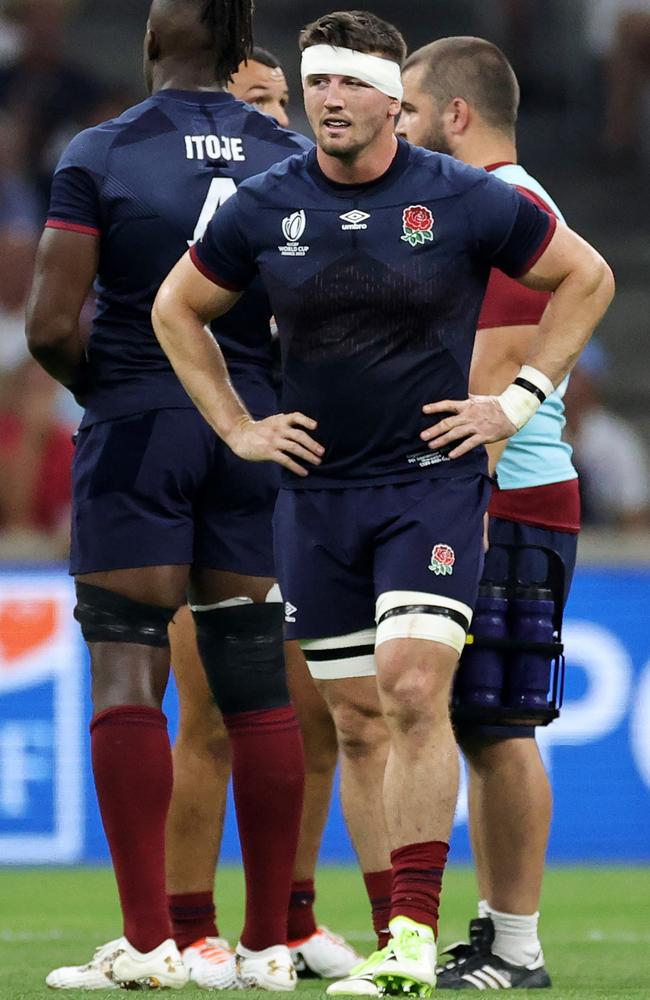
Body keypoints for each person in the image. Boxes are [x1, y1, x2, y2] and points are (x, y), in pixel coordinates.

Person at [151, 9, 614, 997]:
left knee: (411, 688)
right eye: (313, 82)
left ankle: (413, 934)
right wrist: (238, 426)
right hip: (316, 496)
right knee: (355, 720)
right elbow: (173, 308)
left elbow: (587, 275)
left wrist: (516, 401)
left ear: (391, 99)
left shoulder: (460, 196)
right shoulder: (263, 204)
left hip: (430, 486)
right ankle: (387, 938)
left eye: (346, 83)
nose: (324, 98)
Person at [26, 0, 317, 990]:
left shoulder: (102, 149)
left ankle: (150, 944)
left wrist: (110, 390)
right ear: (243, 48)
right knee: (255, 688)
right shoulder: (291, 154)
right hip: (250, 435)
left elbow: (49, 324)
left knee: (126, 676)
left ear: (154, 39)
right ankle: (269, 946)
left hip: (139, 424)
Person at [397, 36, 584, 990]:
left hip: (503, 498)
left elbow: (492, 379)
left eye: (411, 112)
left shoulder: (512, 211)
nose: (400, 128)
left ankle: (518, 946)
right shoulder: (479, 212)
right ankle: (492, 930)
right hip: (478, 498)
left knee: (501, 722)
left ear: (456, 117)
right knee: (476, 721)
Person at [564, 341, 650, 527]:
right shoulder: (542, 433)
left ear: (593, 382)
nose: (565, 385)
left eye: (574, 376)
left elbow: (634, 510)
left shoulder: (616, 439)